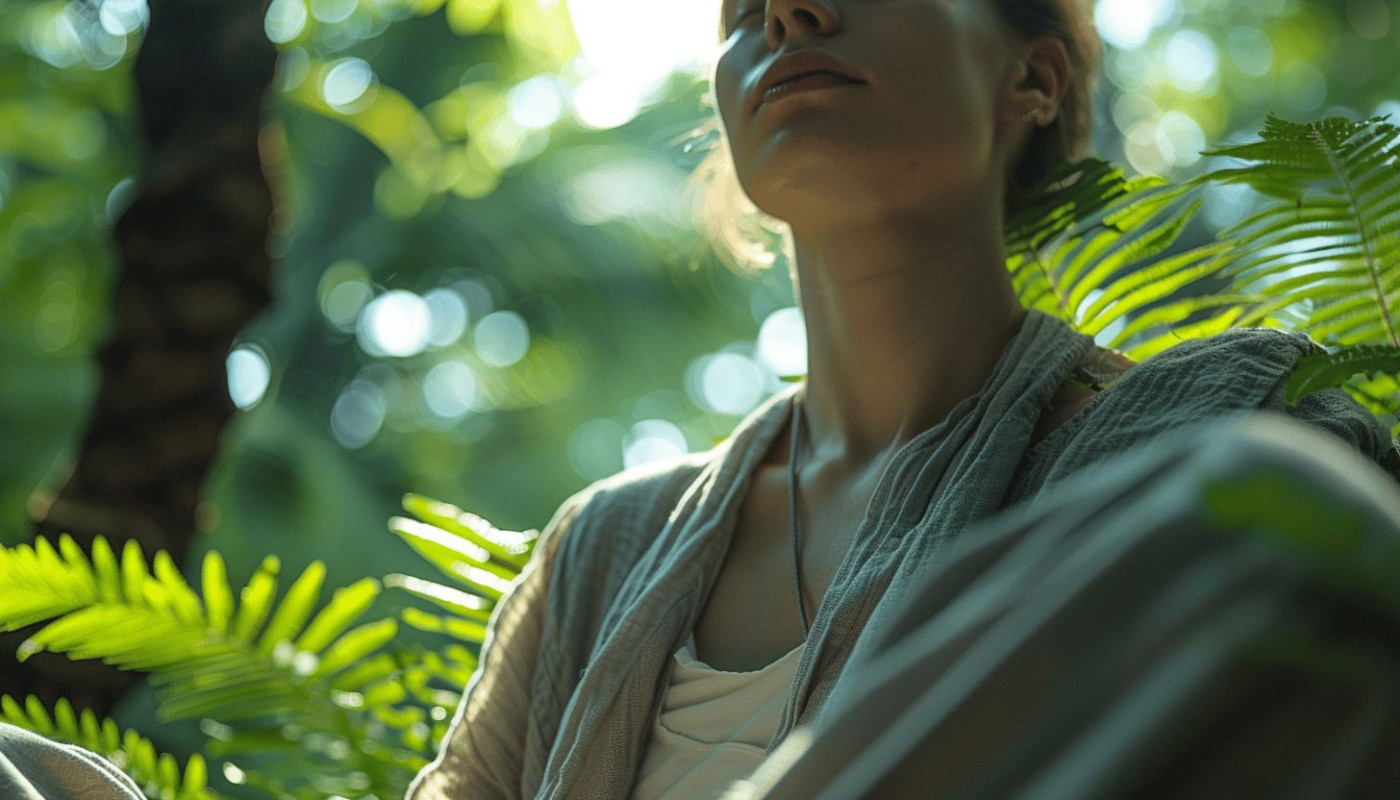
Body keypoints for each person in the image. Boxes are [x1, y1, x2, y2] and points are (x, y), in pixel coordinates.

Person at [407, 0, 1400, 798]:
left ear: (1031, 77)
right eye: (740, 9)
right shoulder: (600, 549)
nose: (784, 16)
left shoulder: (1212, 444)